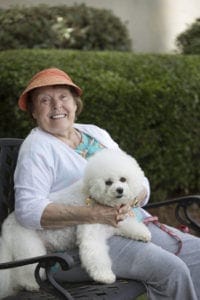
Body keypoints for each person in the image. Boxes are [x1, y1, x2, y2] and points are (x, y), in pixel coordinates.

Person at [14, 67, 200, 300]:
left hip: (128, 222)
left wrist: (131, 199)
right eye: (44, 100)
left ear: (75, 104)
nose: (56, 106)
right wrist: (94, 214)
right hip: (82, 243)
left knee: (197, 255)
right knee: (171, 271)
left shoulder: (95, 132)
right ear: (33, 111)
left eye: (63, 97)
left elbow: (137, 178)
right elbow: (27, 210)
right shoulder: (36, 147)